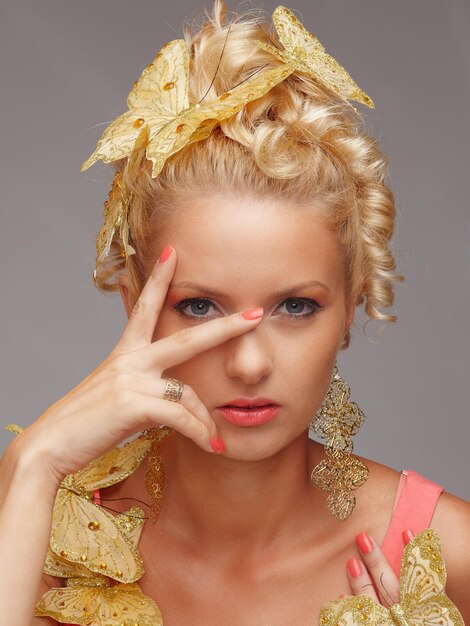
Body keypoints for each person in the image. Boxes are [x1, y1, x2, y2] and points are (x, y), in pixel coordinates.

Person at [0, 2, 469, 624]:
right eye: (199, 306)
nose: (248, 364)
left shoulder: (448, 553)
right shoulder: (41, 523)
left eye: (296, 306)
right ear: (135, 302)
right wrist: (32, 464)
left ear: (354, 303)